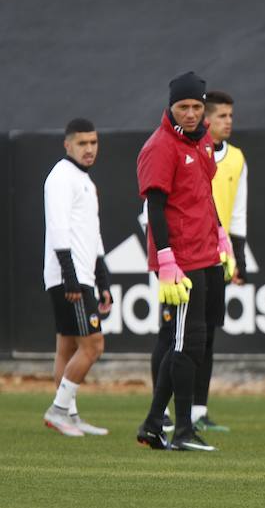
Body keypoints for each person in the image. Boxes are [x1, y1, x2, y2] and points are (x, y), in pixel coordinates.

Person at [135, 72, 235, 452]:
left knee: (197, 341)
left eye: (196, 106)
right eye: (183, 107)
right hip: (181, 259)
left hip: (207, 252)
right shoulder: (160, 146)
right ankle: (180, 431)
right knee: (184, 343)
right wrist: (165, 258)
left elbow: (204, 195)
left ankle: (152, 426)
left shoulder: (204, 140)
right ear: (171, 107)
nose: (191, 113)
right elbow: (155, 207)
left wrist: (221, 234)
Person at [42, 118, 112, 437]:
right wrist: (70, 276)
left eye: (93, 143)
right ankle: (57, 410)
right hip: (68, 277)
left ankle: (69, 414)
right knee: (93, 346)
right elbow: (58, 228)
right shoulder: (60, 176)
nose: (89, 149)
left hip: (83, 275)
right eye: (82, 143)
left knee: (67, 347)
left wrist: (103, 278)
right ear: (67, 145)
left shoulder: (86, 181)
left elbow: (92, 234)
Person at [188, 90, 249, 433]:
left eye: (231, 115)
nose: (229, 122)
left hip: (218, 259)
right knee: (176, 337)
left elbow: (237, 214)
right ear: (207, 119)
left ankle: (198, 411)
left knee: (208, 336)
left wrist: (238, 260)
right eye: (223, 116)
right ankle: (166, 411)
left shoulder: (237, 158)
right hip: (185, 258)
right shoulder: (190, 153)